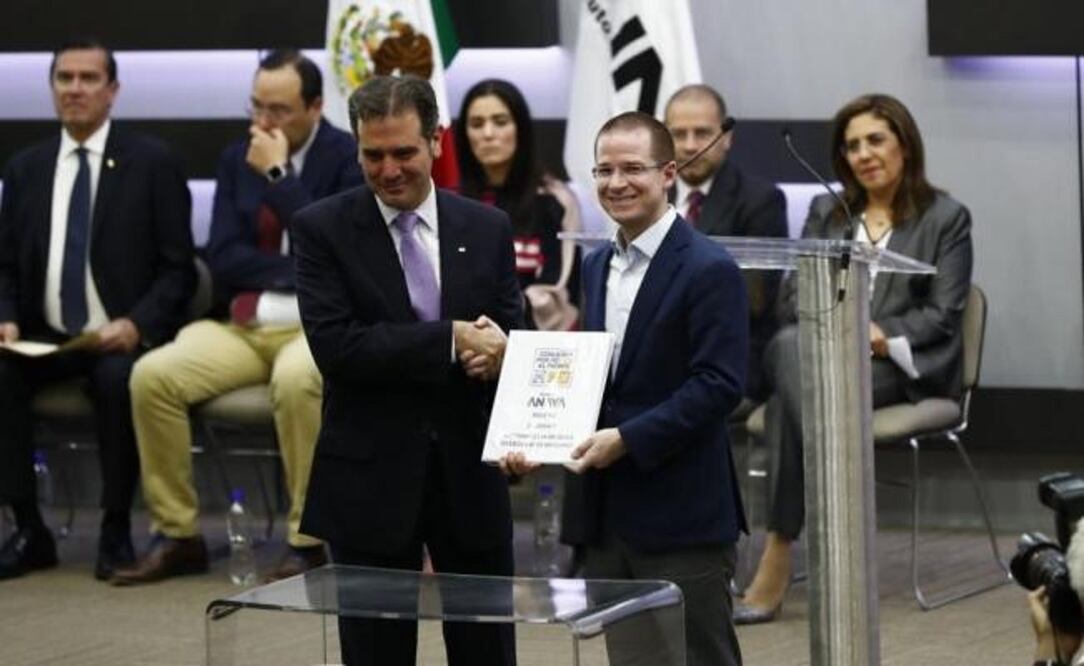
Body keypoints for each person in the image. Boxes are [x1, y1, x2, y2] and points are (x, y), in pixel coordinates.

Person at [292, 74, 523, 666]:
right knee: (374, 653)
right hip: (370, 479)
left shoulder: (487, 228)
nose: (389, 169)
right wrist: (449, 340)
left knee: (486, 648)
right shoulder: (321, 230)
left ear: (437, 142)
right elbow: (339, 348)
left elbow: (509, 336)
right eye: (373, 155)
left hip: (469, 476)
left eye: (403, 153)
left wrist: (497, 356)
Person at [505, 111, 749, 666]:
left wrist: (629, 438)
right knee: (632, 661)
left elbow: (719, 386)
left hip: (681, 510)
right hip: (606, 513)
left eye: (633, 169)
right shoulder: (594, 266)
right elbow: (593, 381)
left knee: (701, 657)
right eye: (604, 170)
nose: (617, 183)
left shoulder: (709, 268)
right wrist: (533, 442)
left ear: (668, 174)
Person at [113, 49, 361, 585]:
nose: (263, 122)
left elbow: (339, 250)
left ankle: (309, 541)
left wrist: (278, 176)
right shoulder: (234, 158)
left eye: (279, 110)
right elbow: (223, 255)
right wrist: (295, 267)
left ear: (316, 107)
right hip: (246, 321)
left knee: (299, 380)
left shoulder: (348, 156)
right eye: (257, 107)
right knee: (152, 376)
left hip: (318, 326)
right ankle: (178, 534)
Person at [735, 93, 974, 624]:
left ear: (904, 145)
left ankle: (779, 549)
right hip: (821, 357)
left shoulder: (946, 217)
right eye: (851, 146)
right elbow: (793, 296)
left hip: (898, 367)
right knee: (789, 345)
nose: (863, 154)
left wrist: (877, 334)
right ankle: (831, 519)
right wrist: (837, 330)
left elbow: (944, 312)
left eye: (875, 140)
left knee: (786, 399)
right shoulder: (829, 210)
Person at [0, 39, 194, 581]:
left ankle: (114, 528)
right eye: (65, 78)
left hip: (118, 336)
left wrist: (137, 324)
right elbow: (5, 266)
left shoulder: (152, 162)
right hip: (44, 336)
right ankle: (28, 527)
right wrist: (6, 314)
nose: (76, 89)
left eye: (89, 78)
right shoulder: (25, 168)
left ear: (113, 91)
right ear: (53, 87)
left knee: (118, 382)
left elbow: (179, 269)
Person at [664, 84, 787, 401]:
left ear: (726, 137)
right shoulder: (646, 196)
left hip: (723, 359)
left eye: (702, 133)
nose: (690, 146)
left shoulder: (761, 200)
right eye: (679, 134)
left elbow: (752, 299)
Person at [454, 78, 581, 330]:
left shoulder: (555, 200)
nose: (488, 134)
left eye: (500, 122)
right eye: (477, 124)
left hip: (537, 346)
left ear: (520, 128)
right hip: (464, 348)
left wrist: (496, 328)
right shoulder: (451, 202)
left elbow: (558, 290)